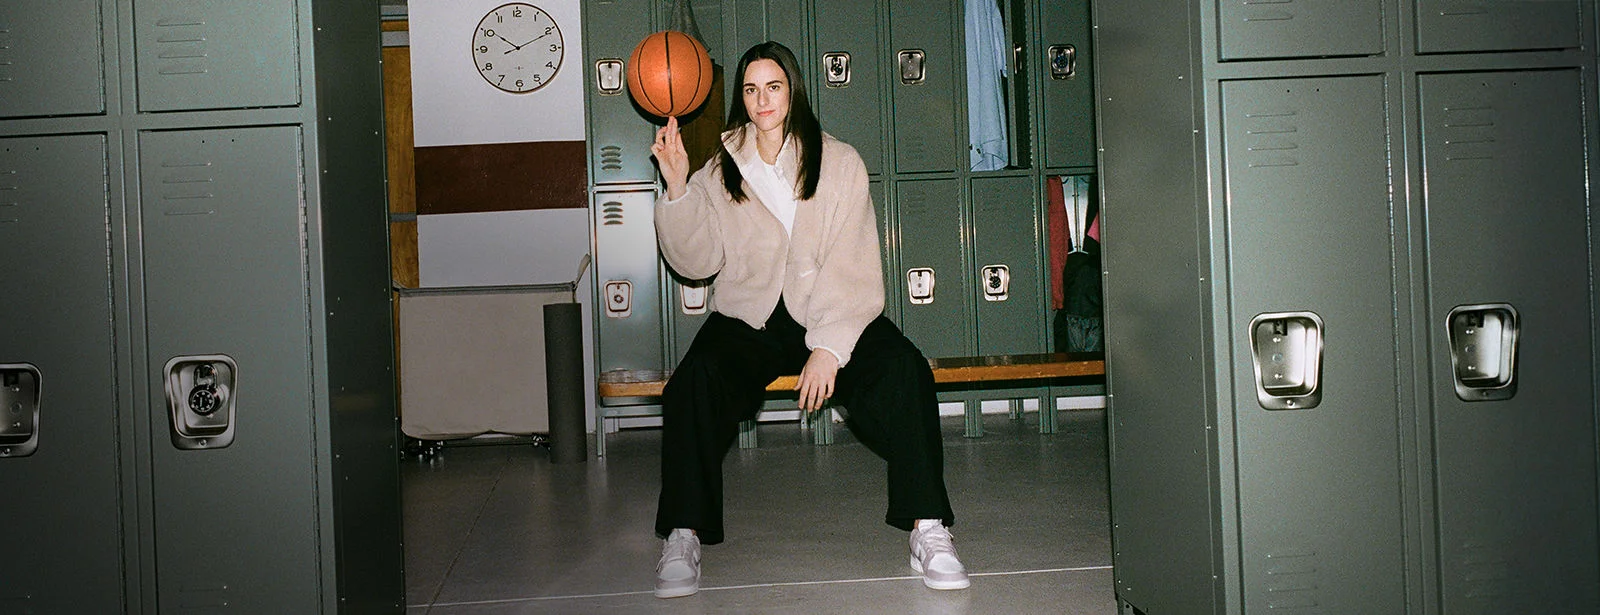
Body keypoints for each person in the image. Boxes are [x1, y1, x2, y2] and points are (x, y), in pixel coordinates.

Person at [648, 40, 969, 599]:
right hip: (750, 314)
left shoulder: (838, 160)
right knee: (694, 382)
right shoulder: (719, 166)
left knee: (904, 370)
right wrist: (676, 185)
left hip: (829, 309)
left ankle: (928, 527)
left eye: (773, 86)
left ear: (793, 90)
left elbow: (854, 261)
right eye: (750, 89)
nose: (761, 99)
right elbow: (696, 262)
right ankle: (684, 532)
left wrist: (828, 347)